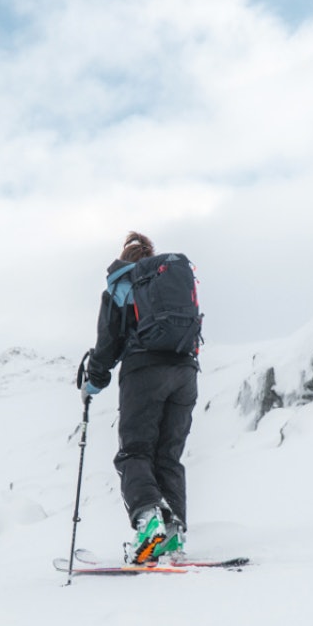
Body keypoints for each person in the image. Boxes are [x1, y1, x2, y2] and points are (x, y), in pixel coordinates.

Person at [80, 232, 201, 564]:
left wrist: (94, 381)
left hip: (144, 372)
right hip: (186, 372)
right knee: (168, 457)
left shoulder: (122, 283)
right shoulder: (170, 283)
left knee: (135, 452)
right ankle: (173, 535)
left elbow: (108, 342)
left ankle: (149, 527)